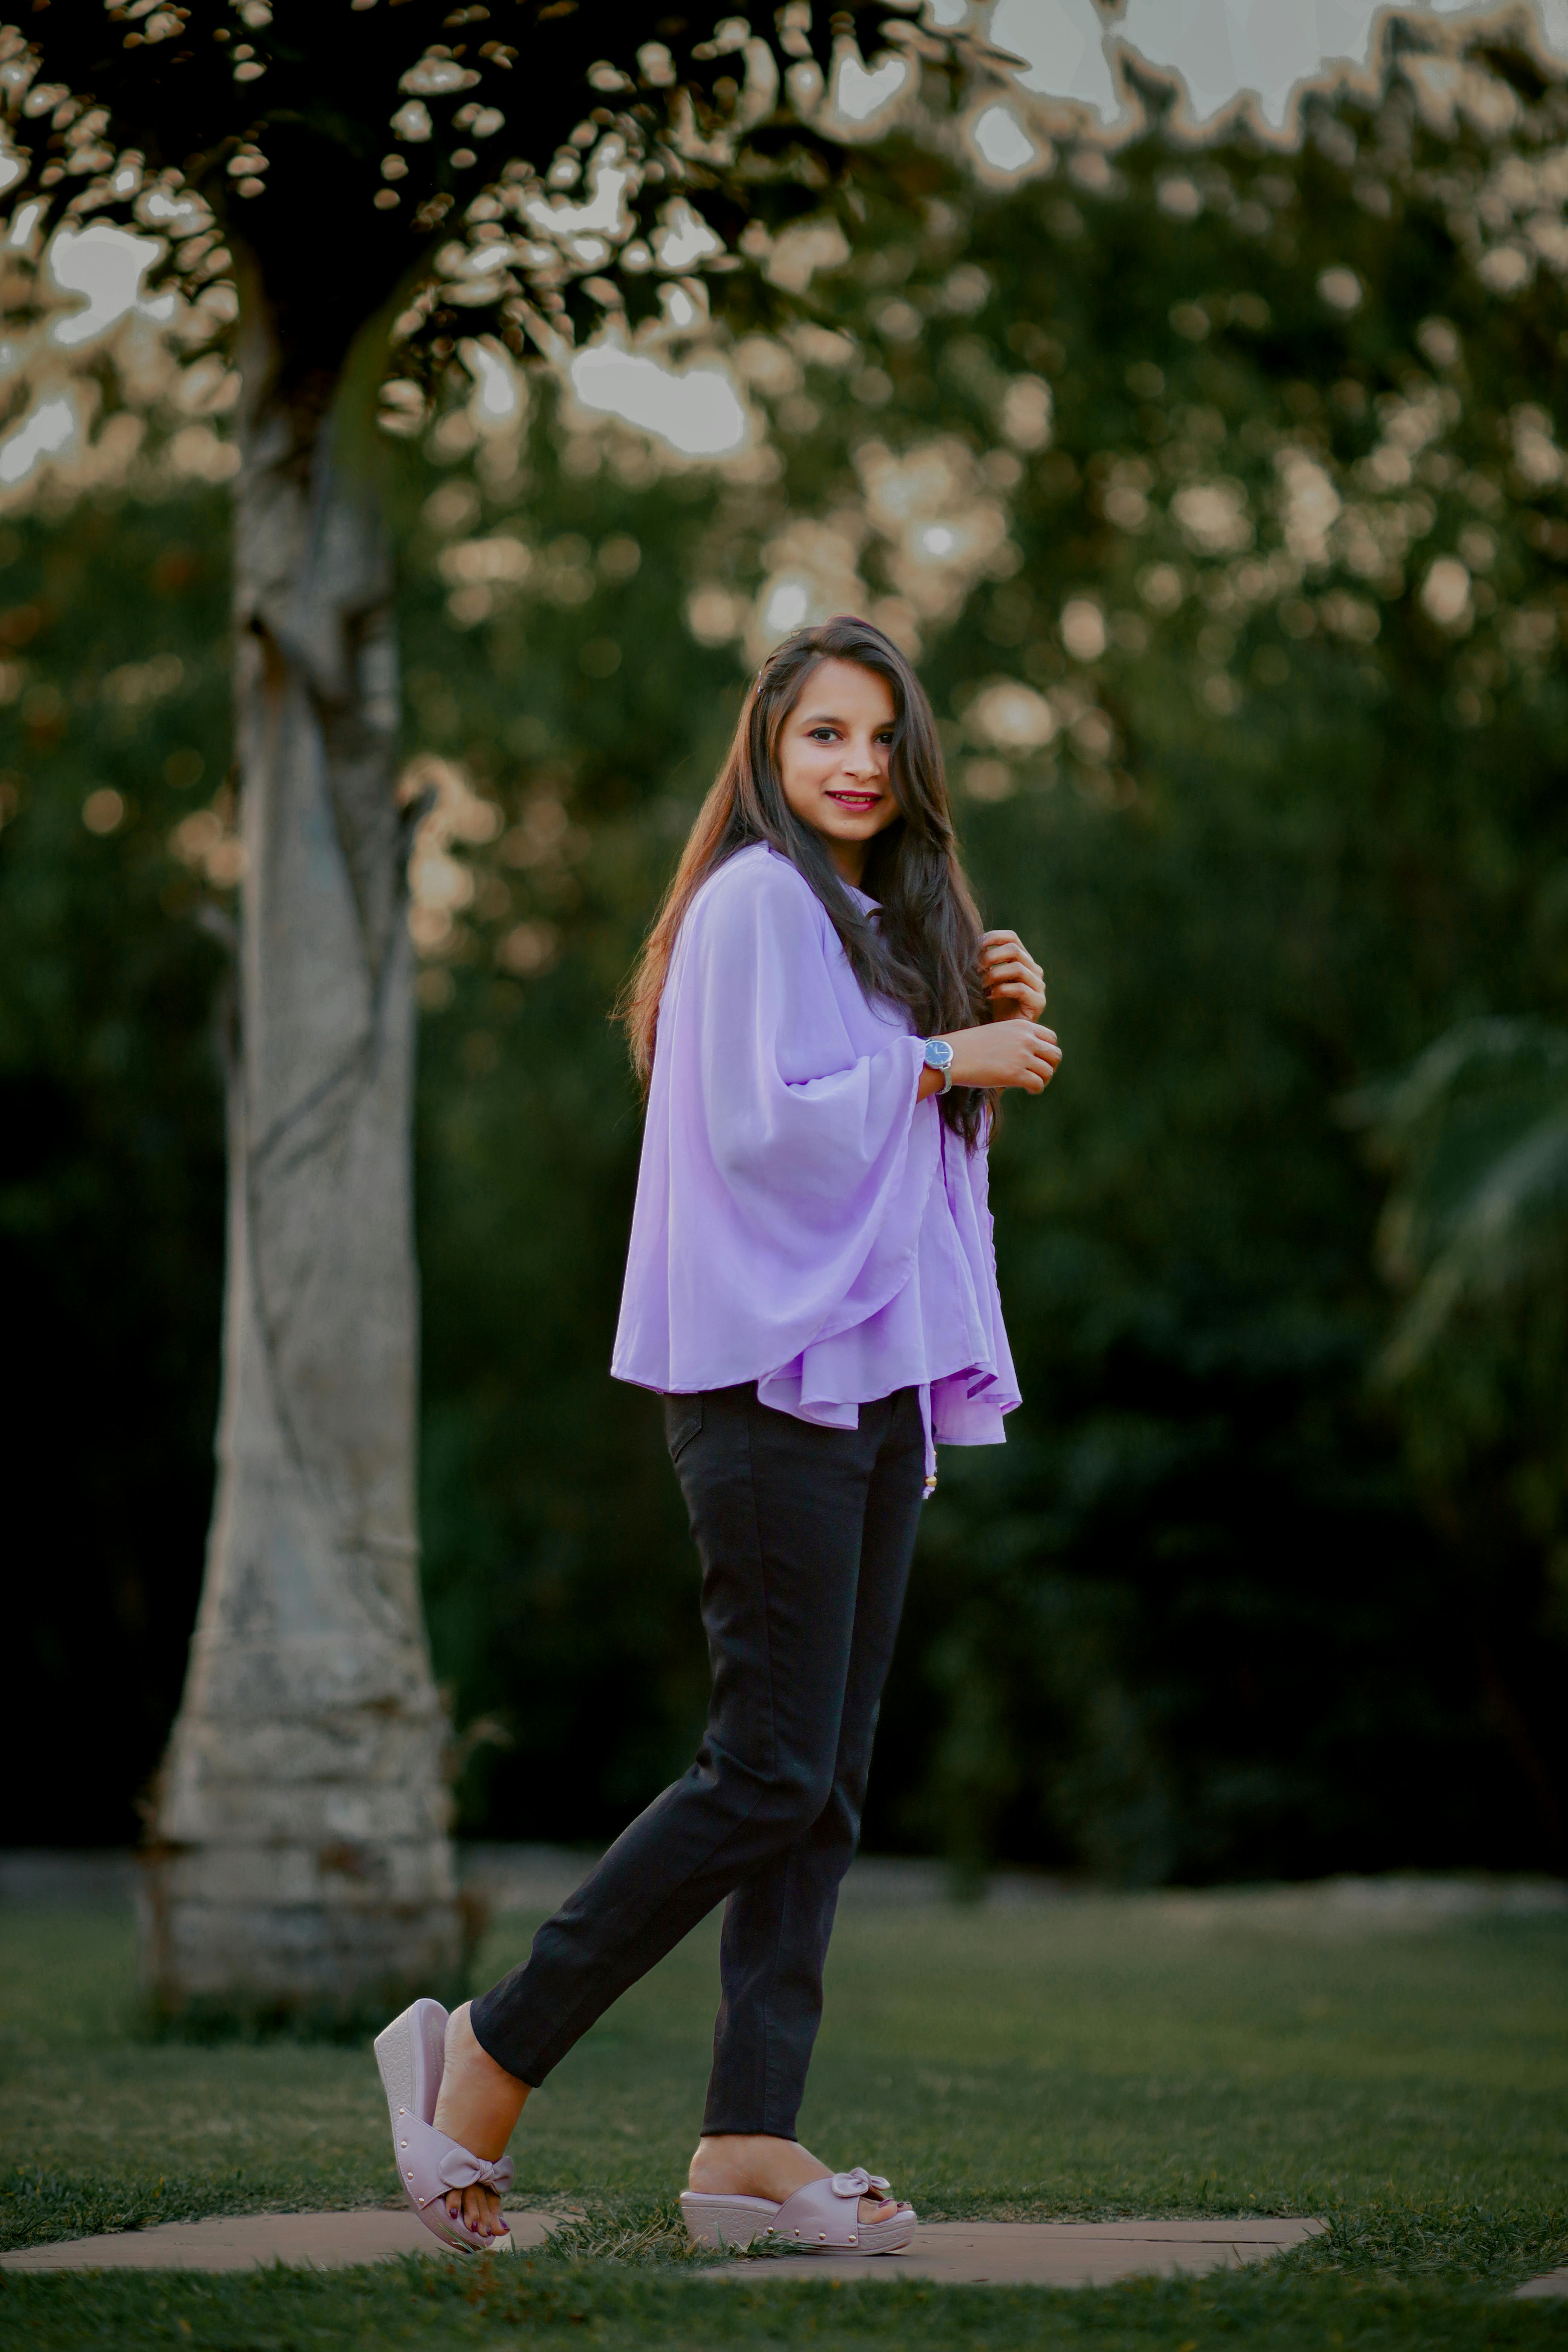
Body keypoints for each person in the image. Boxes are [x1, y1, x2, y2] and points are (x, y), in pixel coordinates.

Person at [374, 614, 1061, 2258]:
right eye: (824, 732)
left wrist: (969, 1044)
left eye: (882, 741)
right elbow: (763, 1129)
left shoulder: (868, 927)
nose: (855, 765)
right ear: (768, 746)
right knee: (765, 1764)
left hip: (864, 1380)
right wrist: (935, 1058)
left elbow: (892, 1162)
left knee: (819, 1782)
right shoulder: (756, 900)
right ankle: (484, 2046)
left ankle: (747, 2142)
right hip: (765, 1383)